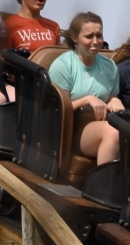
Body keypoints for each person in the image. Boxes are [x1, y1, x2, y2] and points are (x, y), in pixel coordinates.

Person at [49, 12, 122, 166]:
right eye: (89, 36)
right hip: (70, 130)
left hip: (100, 123)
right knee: (113, 132)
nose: (95, 41)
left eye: (99, 36)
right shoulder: (63, 65)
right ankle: (103, 181)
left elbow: (111, 96)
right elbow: (55, 108)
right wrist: (87, 100)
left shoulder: (110, 66)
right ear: (75, 37)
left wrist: (115, 100)